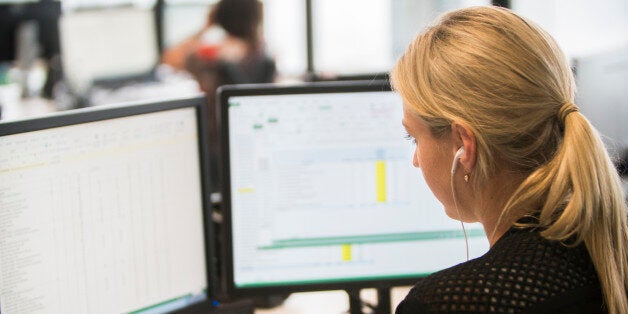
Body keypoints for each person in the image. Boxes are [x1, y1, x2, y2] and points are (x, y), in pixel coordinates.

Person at [391, 6, 628, 313]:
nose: (416, 160)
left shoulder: (452, 302)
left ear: (463, 146)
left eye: (414, 137)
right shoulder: (606, 255)